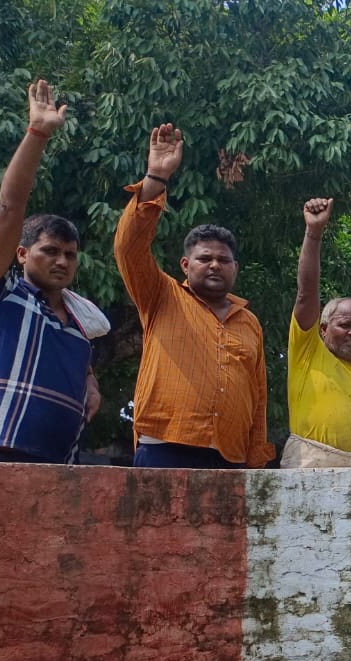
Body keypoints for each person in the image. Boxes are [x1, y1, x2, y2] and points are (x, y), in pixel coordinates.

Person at [0, 81, 107, 464]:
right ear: (22, 254)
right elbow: (10, 206)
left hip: (62, 465)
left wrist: (90, 380)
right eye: (50, 251)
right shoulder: (1, 294)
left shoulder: (83, 320)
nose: (62, 261)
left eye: (71, 255)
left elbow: (69, 360)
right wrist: (38, 134)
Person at [114, 123, 273, 469]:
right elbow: (129, 249)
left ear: (235, 268)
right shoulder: (161, 296)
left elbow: (258, 398)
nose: (214, 265)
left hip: (231, 457)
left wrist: (256, 461)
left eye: (223, 260)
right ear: (186, 265)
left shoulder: (249, 322)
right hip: (166, 446)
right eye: (205, 258)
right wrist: (156, 178)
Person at [283, 197, 351, 468]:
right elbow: (306, 294)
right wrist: (314, 233)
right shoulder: (307, 353)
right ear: (323, 329)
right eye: (345, 325)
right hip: (312, 466)